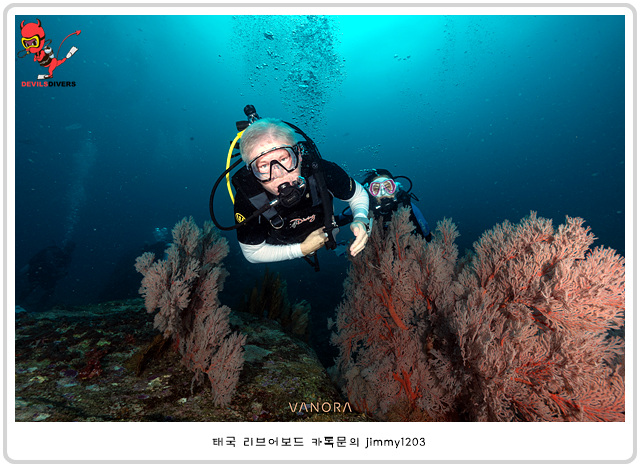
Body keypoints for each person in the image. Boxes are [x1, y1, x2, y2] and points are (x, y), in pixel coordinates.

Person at [231, 117, 370, 265]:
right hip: (282, 245)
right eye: (264, 166)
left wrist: (361, 219)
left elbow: (358, 194)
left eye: (283, 159)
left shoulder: (318, 170)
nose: (279, 174)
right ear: (252, 173)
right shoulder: (248, 197)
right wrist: (301, 250)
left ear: (299, 154)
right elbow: (252, 253)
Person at [347, 169, 432, 241]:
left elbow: (426, 234)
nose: (383, 192)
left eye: (388, 187)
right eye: (376, 188)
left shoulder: (407, 206)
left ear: (396, 188)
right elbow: (342, 218)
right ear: (369, 192)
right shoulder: (363, 208)